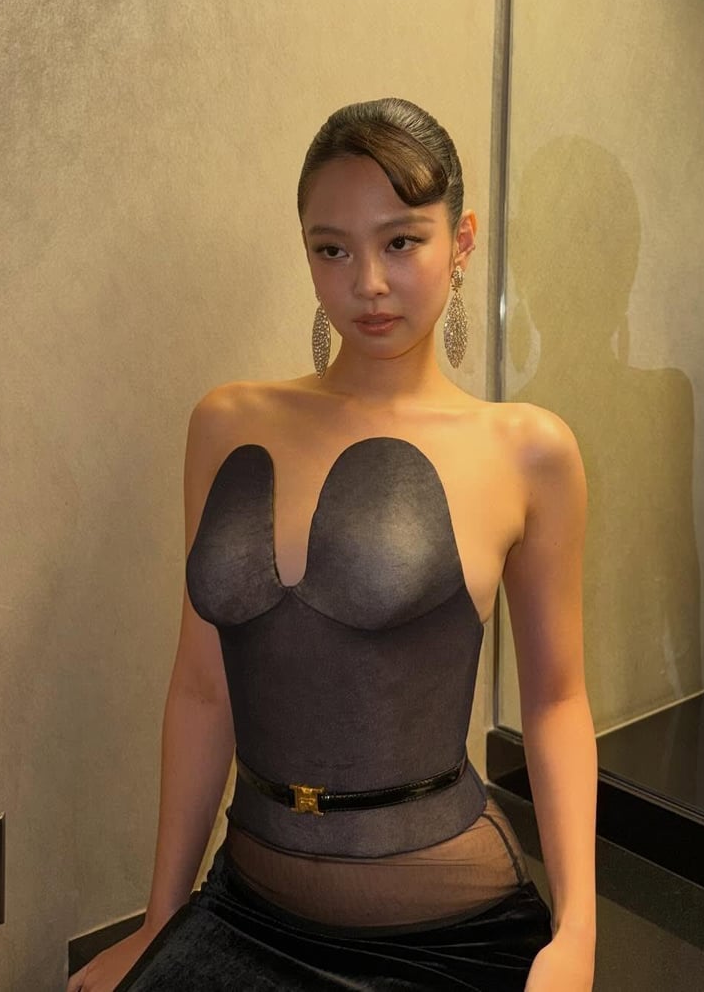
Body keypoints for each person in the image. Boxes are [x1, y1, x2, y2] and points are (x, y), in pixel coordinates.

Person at [69, 98, 596, 991]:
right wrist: (160, 920)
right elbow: (201, 687)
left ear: (461, 241)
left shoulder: (527, 449)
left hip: (446, 933)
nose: (369, 282)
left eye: (401, 241)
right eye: (332, 249)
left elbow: (556, 700)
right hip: (244, 909)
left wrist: (578, 932)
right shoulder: (225, 423)